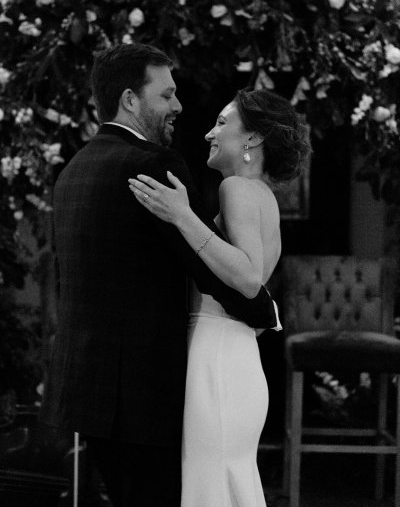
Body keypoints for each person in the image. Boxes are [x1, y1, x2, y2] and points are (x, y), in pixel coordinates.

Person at [39, 44, 281, 507]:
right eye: (167, 95)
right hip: (142, 398)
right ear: (131, 100)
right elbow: (206, 272)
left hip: (87, 392)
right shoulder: (152, 165)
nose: (179, 107)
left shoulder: (75, 168)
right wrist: (263, 310)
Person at [129, 87, 310, 507]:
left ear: (253, 139)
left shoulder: (237, 189)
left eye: (223, 123)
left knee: (209, 490)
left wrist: (181, 216)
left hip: (217, 361)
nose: (210, 133)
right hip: (237, 356)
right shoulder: (263, 197)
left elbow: (247, 280)